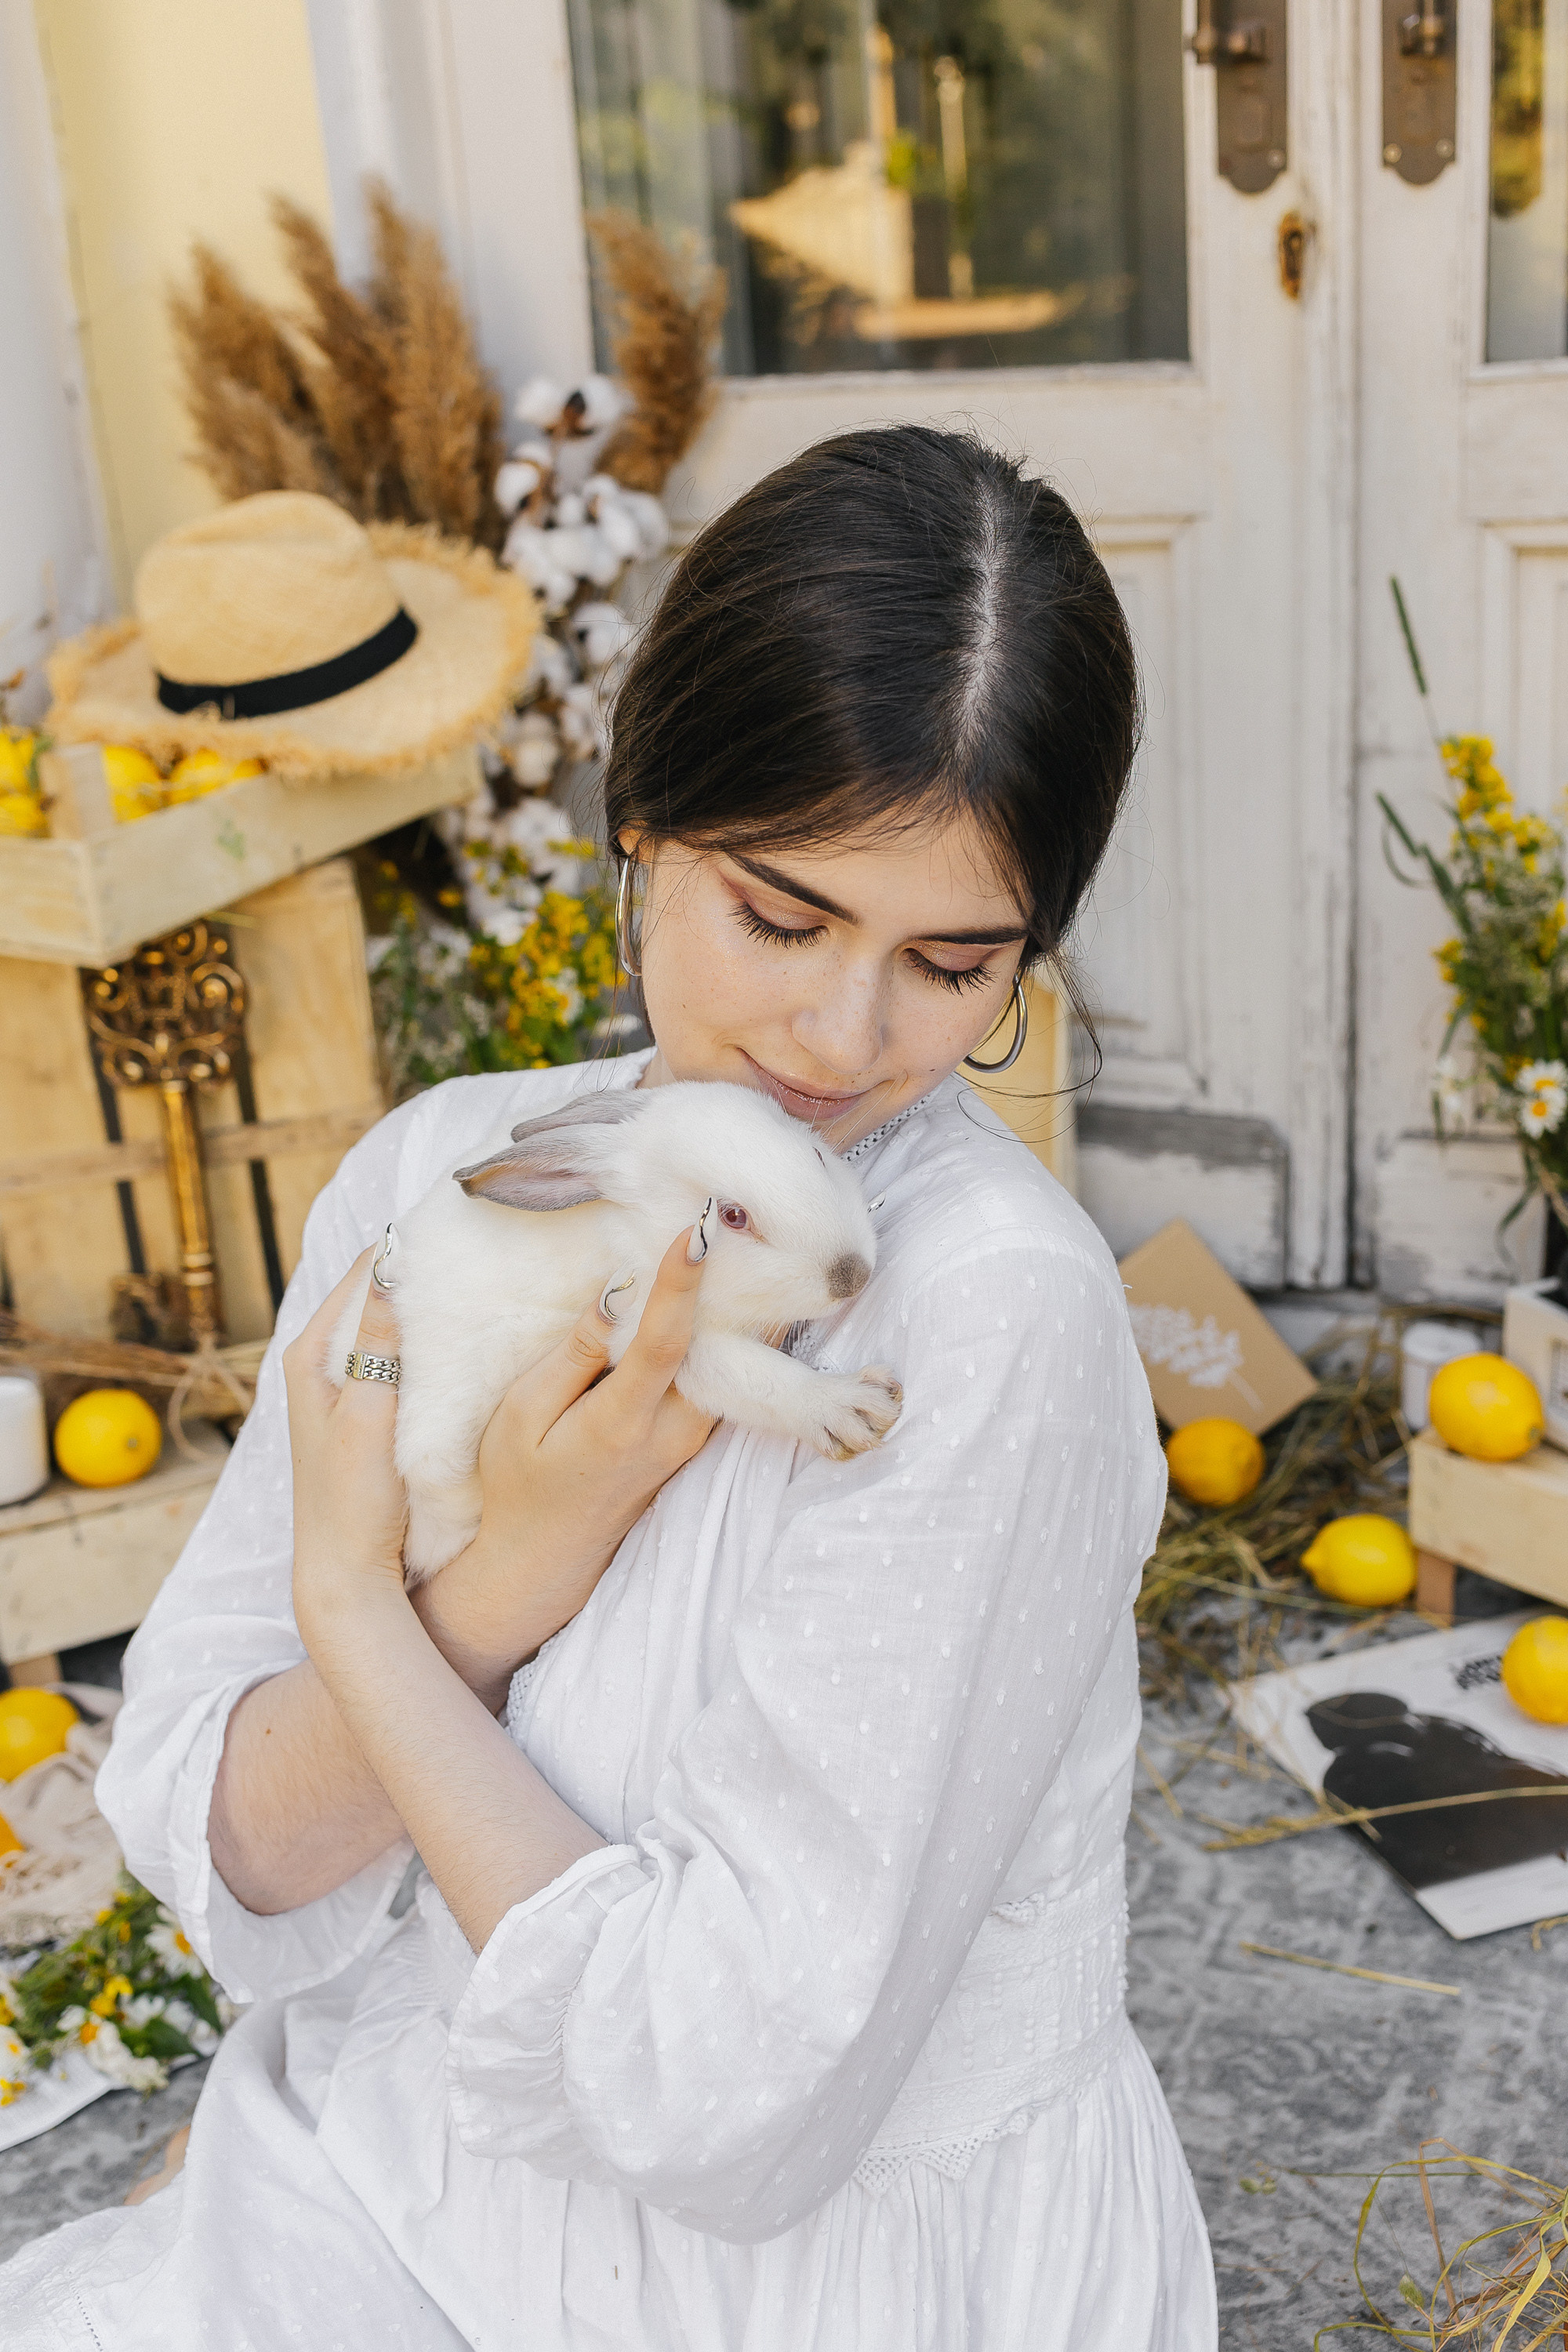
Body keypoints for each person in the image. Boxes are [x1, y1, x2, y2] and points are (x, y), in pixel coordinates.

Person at [6, 426, 1217, 2350]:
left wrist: (361, 1607)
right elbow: (227, 1835)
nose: (837, 1037)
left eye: (952, 963)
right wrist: (510, 1579)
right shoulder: (441, 1175)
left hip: (809, 2288)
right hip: (387, 2183)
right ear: (641, 823)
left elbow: (719, 2090)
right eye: (780, 916)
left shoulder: (992, 1323)